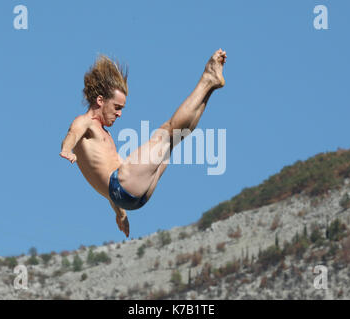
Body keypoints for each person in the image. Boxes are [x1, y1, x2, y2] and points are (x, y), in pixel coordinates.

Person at [60, 49, 227, 237]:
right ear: (100, 100)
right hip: (124, 187)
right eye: (116, 108)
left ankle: (210, 86)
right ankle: (207, 78)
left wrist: (120, 214)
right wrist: (66, 150)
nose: (119, 114)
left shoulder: (101, 134)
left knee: (175, 136)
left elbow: (106, 180)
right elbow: (73, 133)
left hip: (129, 198)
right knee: (166, 132)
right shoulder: (86, 122)